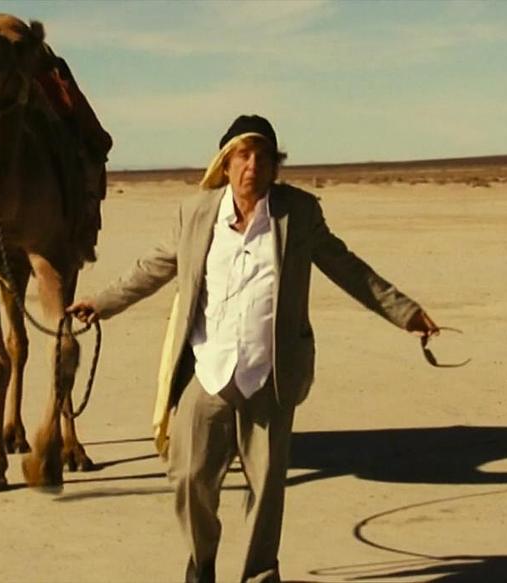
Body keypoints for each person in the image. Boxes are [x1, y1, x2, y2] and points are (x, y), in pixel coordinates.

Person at [67, 115, 439, 583]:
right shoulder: (196, 214)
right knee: (188, 477)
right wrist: (102, 302)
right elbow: (153, 267)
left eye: (263, 157)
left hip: (270, 374)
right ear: (225, 164)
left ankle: (260, 575)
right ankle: (201, 565)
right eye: (243, 155)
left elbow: (347, 267)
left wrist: (404, 312)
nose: (253, 165)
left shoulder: (297, 214)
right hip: (209, 370)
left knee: (266, 491)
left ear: (275, 167)